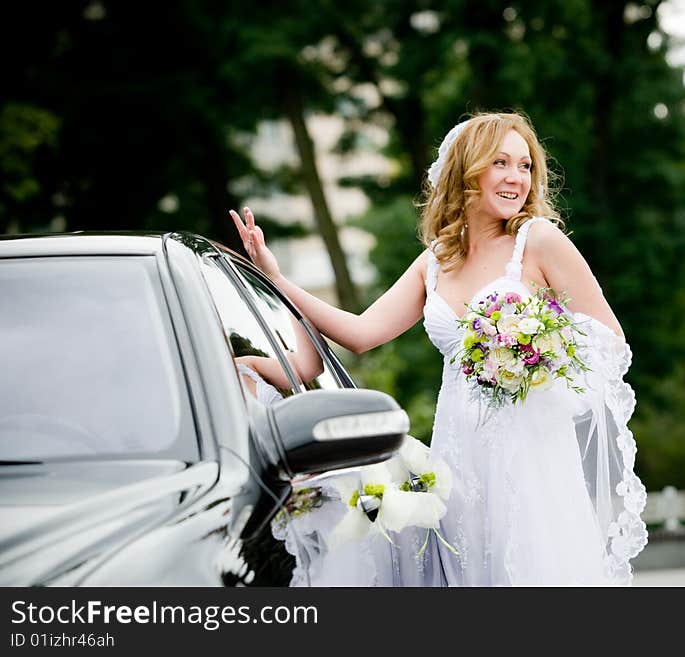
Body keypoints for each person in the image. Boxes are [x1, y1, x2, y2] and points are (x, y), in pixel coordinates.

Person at [230, 111, 647, 586]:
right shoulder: (436, 259)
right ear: (469, 170)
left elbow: (610, 339)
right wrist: (277, 280)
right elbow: (361, 332)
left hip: (529, 465)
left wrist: (532, 351)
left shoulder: (539, 241)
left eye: (526, 166)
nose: (516, 178)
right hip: (458, 461)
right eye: (501, 163)